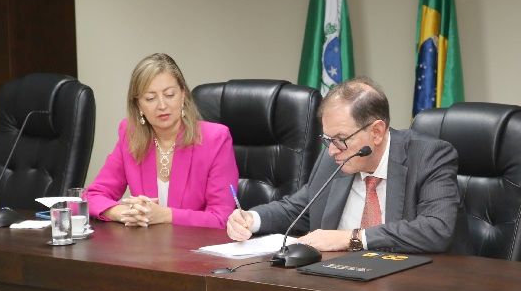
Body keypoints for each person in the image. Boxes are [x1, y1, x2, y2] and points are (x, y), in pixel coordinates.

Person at [226, 76, 470, 253]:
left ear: (376, 132)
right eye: (327, 140)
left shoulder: (429, 156)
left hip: (414, 285)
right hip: (343, 281)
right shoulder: (335, 157)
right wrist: (251, 218)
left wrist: (350, 239)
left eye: (341, 140)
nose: (332, 150)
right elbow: (299, 208)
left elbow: (436, 229)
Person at [86, 53, 238, 228]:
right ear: (138, 105)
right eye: (150, 98)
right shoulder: (130, 135)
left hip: (196, 250)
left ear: (183, 95)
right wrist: (124, 213)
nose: (162, 105)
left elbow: (222, 218)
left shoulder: (215, 139)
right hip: (147, 250)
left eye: (169, 94)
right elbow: (92, 195)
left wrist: (165, 215)